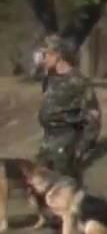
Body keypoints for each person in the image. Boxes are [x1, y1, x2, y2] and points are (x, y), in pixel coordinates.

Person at [36, 38, 101, 183]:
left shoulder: (78, 81)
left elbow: (93, 118)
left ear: (57, 54)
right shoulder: (49, 79)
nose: (42, 60)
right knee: (41, 188)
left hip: (67, 143)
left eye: (45, 55)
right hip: (47, 142)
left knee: (65, 189)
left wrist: (80, 149)